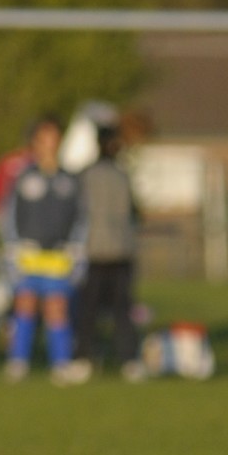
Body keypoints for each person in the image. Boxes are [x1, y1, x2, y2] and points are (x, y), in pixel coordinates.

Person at [0, 116, 90, 385]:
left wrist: (77, 248)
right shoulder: (23, 177)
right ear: (35, 143)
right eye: (43, 140)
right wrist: (12, 245)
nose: (48, 145)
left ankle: (60, 364)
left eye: (53, 140)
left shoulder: (70, 179)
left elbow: (81, 216)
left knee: (56, 308)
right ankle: (18, 362)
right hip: (28, 254)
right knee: (24, 305)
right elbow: (9, 213)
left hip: (58, 255)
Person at [74, 123, 139, 378]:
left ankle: (123, 358)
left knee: (116, 310)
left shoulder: (107, 175)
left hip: (115, 252)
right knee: (94, 310)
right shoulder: (100, 176)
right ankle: (89, 357)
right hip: (96, 252)